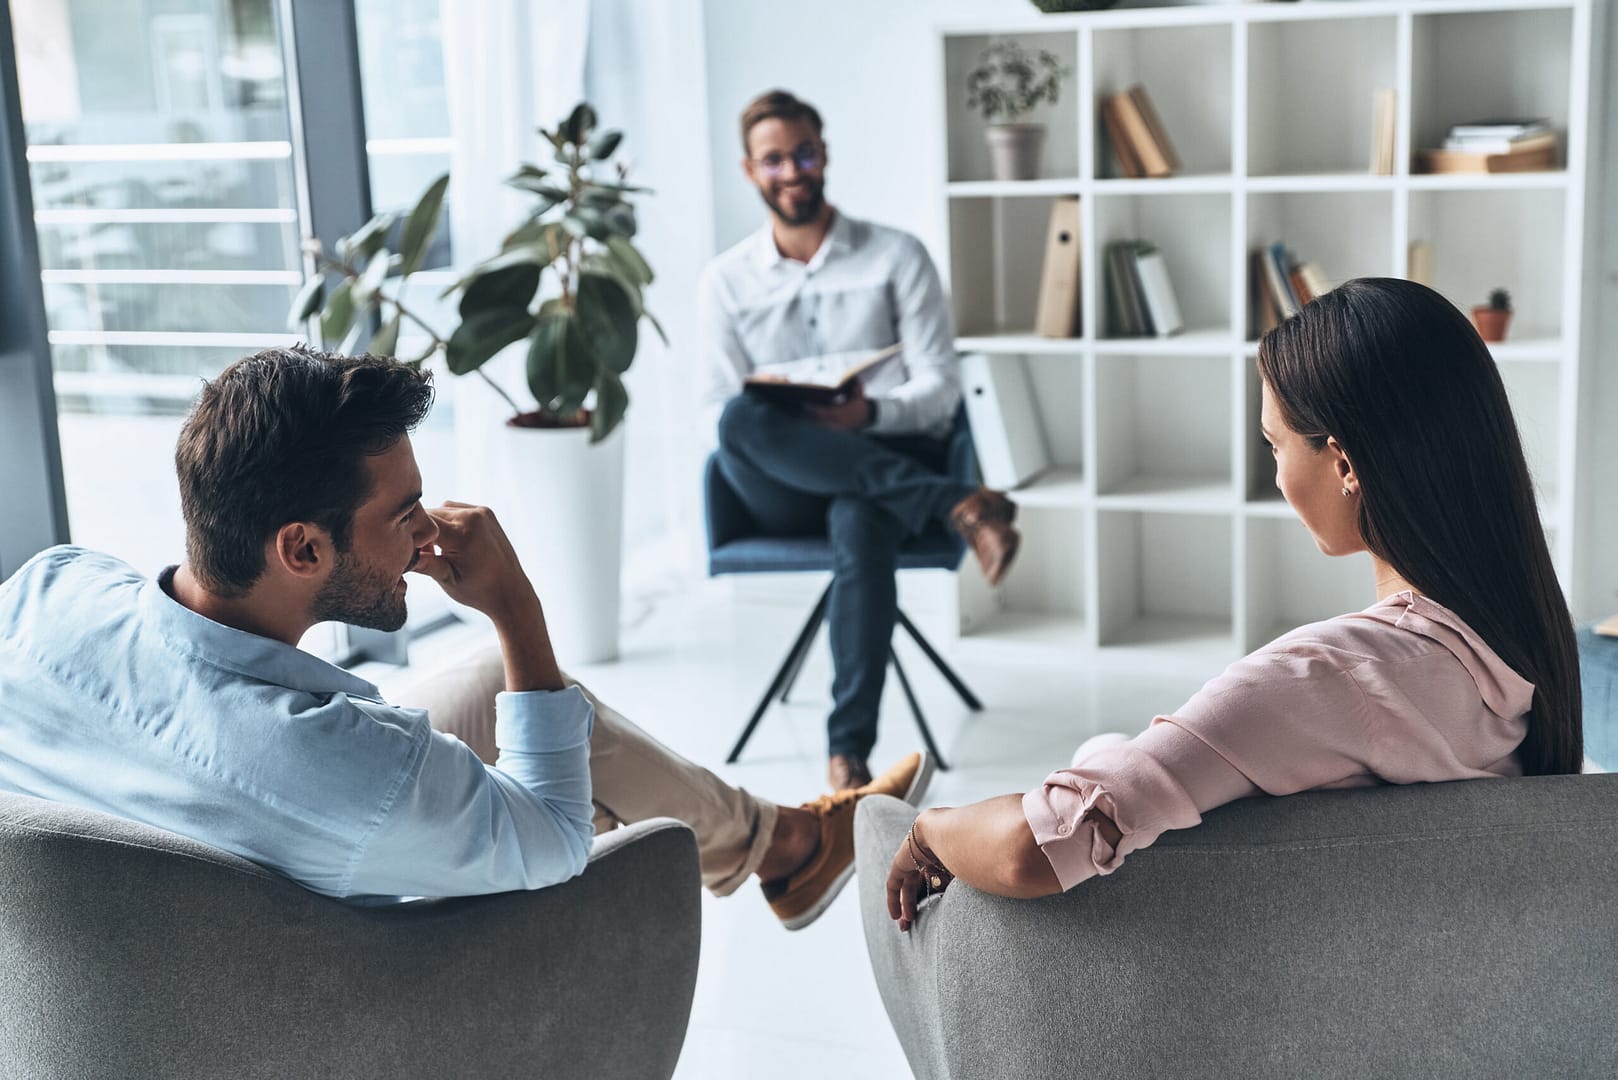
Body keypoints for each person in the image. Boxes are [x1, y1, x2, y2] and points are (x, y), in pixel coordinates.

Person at [0, 346, 930, 932]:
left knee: (491, 684)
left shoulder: (49, 591)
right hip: (328, 981)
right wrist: (516, 606)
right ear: (300, 546)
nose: (422, 533)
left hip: (123, 947)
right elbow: (558, 836)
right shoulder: (350, 767)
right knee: (563, 758)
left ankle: (786, 846)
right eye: (402, 513)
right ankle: (788, 849)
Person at [885, 277, 1583, 929]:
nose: (1276, 478)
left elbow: (1034, 846)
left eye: (1274, 446)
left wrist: (928, 830)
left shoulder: (1329, 677)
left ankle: (829, 833)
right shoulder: (1520, 642)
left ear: (1344, 463)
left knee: (1090, 759)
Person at [698, 88, 1020, 791]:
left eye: (803, 153)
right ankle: (960, 502)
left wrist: (865, 418)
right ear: (751, 171)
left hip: (881, 462)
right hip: (777, 487)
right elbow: (719, 410)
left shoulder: (896, 256)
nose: (792, 171)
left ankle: (847, 761)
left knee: (860, 513)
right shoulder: (725, 281)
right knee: (739, 421)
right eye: (773, 159)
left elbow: (940, 389)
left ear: (825, 156)